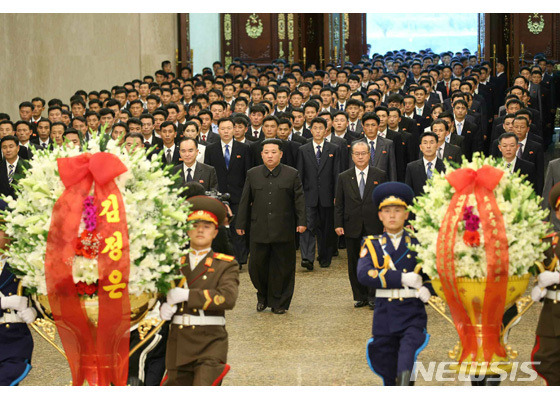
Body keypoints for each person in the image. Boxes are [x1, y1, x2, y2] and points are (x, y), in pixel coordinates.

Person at [357, 182, 432, 386]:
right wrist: (400, 278)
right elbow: (363, 274)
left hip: (412, 314)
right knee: (387, 367)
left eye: (397, 211)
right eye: (387, 211)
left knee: (406, 361)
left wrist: (429, 289)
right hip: (385, 315)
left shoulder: (419, 243)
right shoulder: (371, 244)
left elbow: (432, 274)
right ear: (380, 215)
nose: (392, 216)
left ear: (406, 214)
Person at [160, 195, 239, 386]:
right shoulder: (173, 263)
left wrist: (188, 295)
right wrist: (161, 307)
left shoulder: (225, 265)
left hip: (210, 341)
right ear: (187, 230)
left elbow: (227, 298)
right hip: (178, 341)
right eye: (195, 225)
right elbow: (160, 294)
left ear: (215, 232)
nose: (200, 230)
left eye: (207, 226)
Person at [236, 138, 306, 314]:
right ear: (261, 154)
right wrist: (240, 223)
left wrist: (302, 222)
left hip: (284, 228)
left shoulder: (292, 174)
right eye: (266, 152)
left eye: (273, 152)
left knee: (283, 267)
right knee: (256, 267)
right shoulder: (253, 174)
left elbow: (299, 200)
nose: (270, 155)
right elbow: (245, 200)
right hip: (259, 228)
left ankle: (280, 302)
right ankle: (263, 296)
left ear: (281, 154)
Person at [335, 141, 387, 309]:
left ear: (369, 154)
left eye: (363, 153)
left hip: (375, 226)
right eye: (356, 154)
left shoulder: (380, 175)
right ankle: (360, 296)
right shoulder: (344, 177)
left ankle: (373, 296)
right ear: (352, 156)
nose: (360, 156)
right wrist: (338, 224)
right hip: (352, 225)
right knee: (355, 262)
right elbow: (339, 204)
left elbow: (385, 202)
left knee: (375, 261)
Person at [0, 199, 37, 386]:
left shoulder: (23, 264)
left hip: (12, 343)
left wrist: (34, 312)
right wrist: (5, 303)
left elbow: (40, 297)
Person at [297, 117, 340, 270]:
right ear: (311, 130)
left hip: (327, 195)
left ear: (326, 130)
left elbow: (337, 174)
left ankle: (324, 256)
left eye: (321, 128)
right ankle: (307, 258)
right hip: (309, 195)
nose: (318, 131)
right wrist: (300, 196)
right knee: (307, 226)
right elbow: (300, 174)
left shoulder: (333, 149)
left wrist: (336, 194)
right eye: (315, 128)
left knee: (326, 228)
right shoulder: (303, 149)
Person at [531, 182, 560, 385]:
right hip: (553, 314)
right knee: (544, 360)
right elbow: (540, 273)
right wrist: (538, 287)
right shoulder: (550, 243)